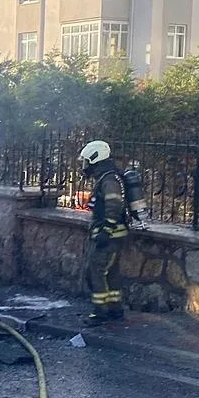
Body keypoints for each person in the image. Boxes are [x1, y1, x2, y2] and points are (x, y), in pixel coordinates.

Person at [79, 140, 129, 326]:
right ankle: (115, 309)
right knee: (112, 273)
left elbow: (114, 205)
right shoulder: (109, 176)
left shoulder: (109, 180)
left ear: (95, 158)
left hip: (109, 235)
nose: (85, 166)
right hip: (115, 234)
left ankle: (100, 312)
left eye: (87, 161)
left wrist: (106, 230)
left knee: (96, 271)